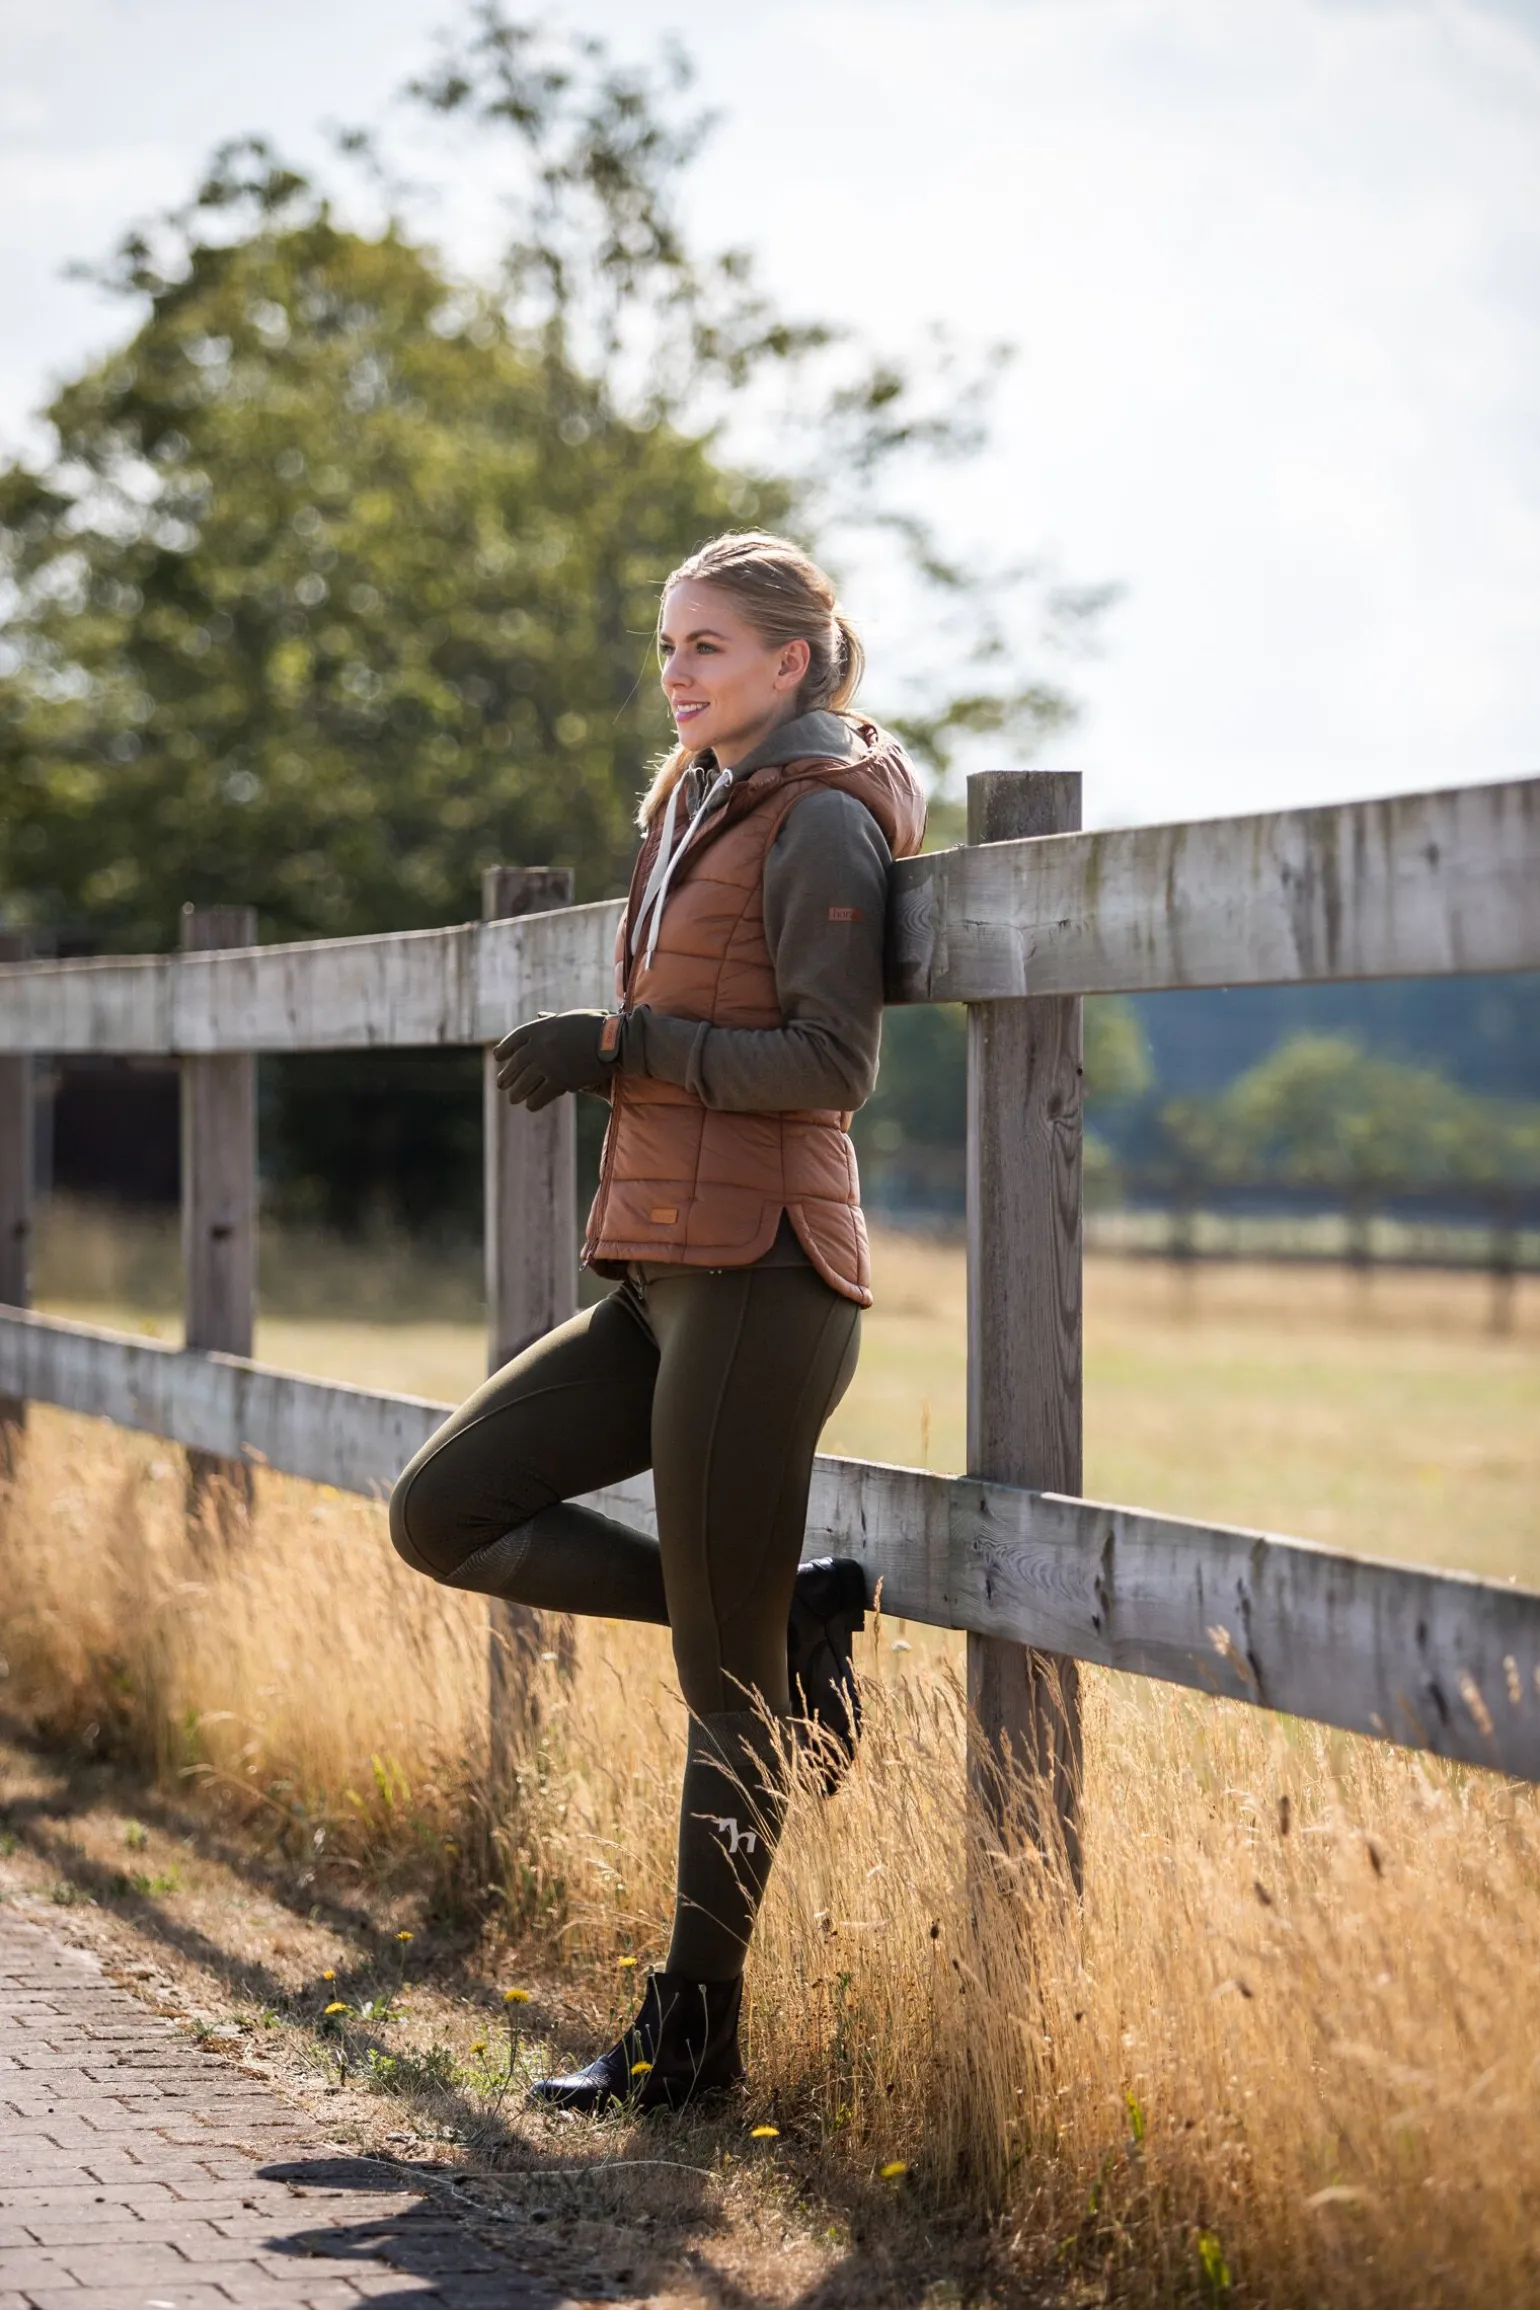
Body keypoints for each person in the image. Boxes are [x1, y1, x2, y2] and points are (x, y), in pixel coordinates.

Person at [388, 529, 926, 2112]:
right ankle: (789, 1617)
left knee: (722, 1686)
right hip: (657, 1271)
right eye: (668, 646)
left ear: (793, 662)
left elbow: (833, 1065)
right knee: (442, 1509)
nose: (675, 672)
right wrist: (640, 1046)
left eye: (706, 646)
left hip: (764, 1274)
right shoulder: (702, 799)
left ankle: (692, 2034)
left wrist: (628, 1043)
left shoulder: (821, 816)